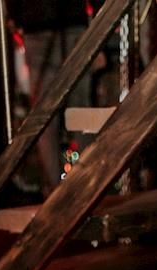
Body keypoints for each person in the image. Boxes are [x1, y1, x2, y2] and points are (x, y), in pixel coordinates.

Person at [8, 0, 93, 194]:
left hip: (37, 21)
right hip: (71, 19)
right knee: (81, 111)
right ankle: (88, 184)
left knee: (45, 116)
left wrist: (16, 17)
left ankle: (54, 191)